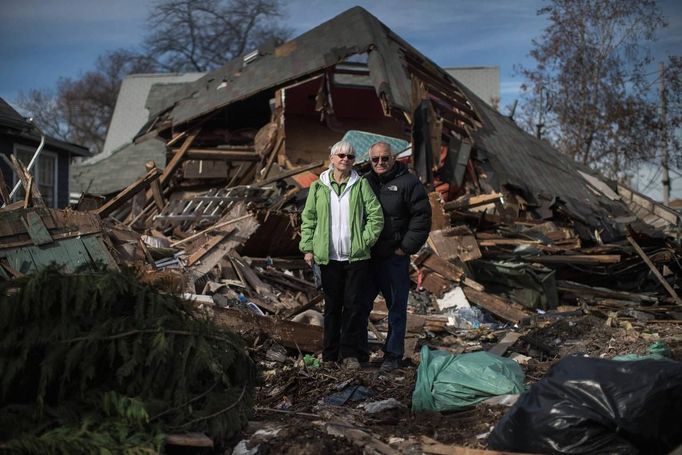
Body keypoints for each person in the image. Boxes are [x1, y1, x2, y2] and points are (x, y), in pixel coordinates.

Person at [299, 140, 384, 370]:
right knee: (332, 307)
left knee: (354, 307)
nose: (345, 159)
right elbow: (309, 218)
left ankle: (349, 354)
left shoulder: (360, 185)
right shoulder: (318, 186)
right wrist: (307, 247)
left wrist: (363, 241)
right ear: (332, 159)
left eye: (350, 156)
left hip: (355, 258)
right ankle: (329, 355)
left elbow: (376, 217)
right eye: (341, 155)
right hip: (329, 258)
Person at [363, 141, 431, 371]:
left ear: (394, 158)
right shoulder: (364, 181)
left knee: (396, 308)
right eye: (375, 159)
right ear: (370, 161)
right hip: (367, 256)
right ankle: (359, 351)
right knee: (360, 304)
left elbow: (421, 219)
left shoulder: (409, 182)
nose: (380, 163)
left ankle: (393, 355)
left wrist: (405, 248)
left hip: (394, 257)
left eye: (385, 158)